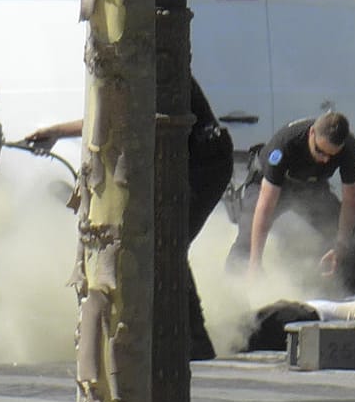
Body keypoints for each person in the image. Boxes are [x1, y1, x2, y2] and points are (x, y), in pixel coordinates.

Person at [22, 77, 234, 360]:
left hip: (205, 159)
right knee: (163, 244)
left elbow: (120, 117)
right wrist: (57, 132)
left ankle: (194, 340)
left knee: (166, 243)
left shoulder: (153, 59)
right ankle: (179, 336)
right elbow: (115, 116)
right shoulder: (139, 61)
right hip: (192, 156)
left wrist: (58, 131)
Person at [231, 111, 355, 284]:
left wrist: (340, 245)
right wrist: (255, 263)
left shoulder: (349, 149)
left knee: (351, 244)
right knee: (248, 238)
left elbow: (351, 199)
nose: (325, 160)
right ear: (311, 134)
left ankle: (341, 294)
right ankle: (234, 286)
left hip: (311, 188)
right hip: (269, 185)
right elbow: (265, 205)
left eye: (332, 156)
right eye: (320, 151)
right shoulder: (285, 144)